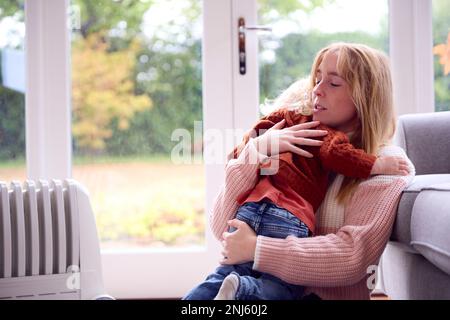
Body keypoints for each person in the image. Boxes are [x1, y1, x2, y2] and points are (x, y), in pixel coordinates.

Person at [185, 42, 415, 300]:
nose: (318, 90)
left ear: (366, 95)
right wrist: (255, 151)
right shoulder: (286, 141)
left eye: (334, 83)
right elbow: (223, 228)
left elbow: (352, 257)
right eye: (317, 79)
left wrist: (257, 249)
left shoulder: (387, 165)